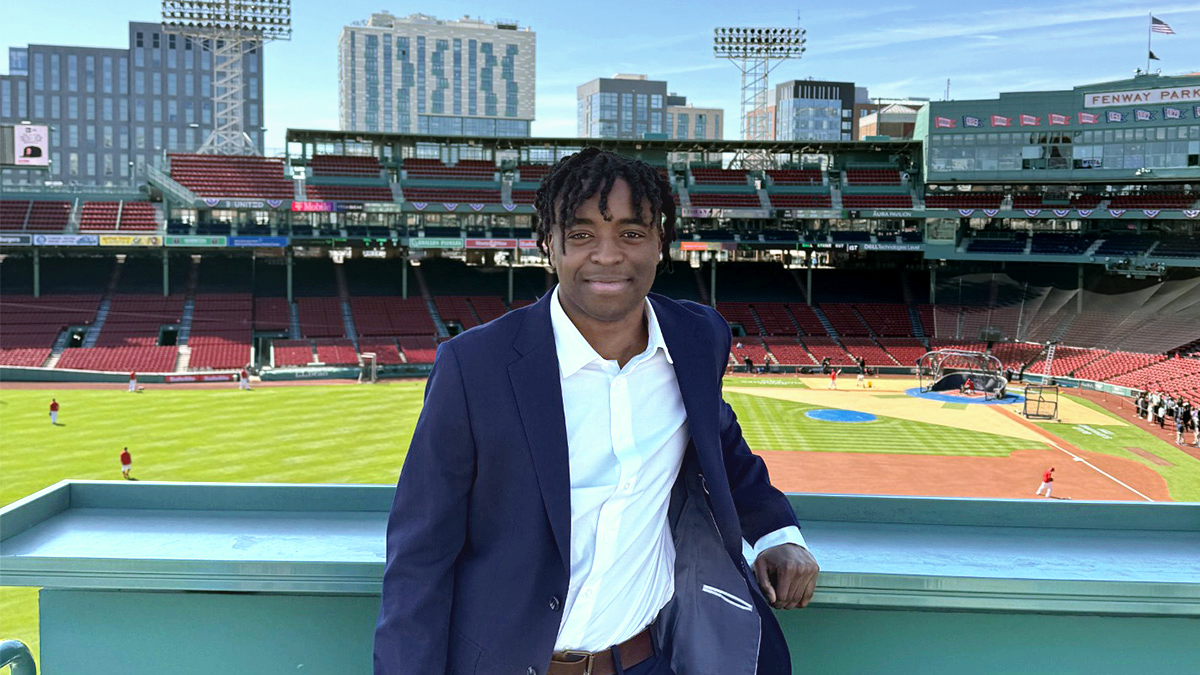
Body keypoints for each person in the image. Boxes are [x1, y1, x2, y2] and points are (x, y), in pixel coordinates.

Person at [375, 149, 818, 675]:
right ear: (550, 246)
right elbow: (420, 556)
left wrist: (778, 535)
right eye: (581, 234)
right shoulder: (475, 366)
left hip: (644, 661)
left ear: (661, 243)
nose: (607, 256)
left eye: (631, 234)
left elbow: (723, 448)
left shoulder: (698, 339)